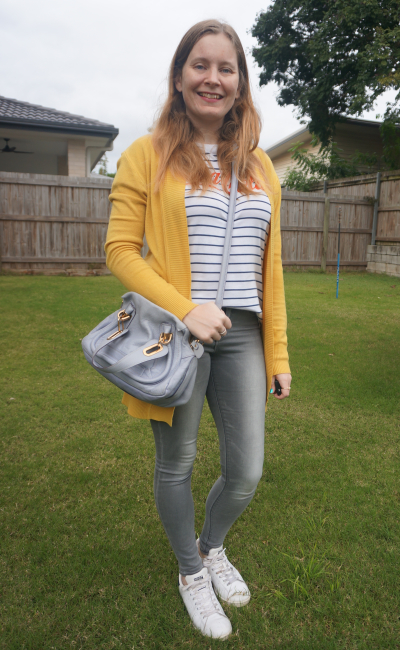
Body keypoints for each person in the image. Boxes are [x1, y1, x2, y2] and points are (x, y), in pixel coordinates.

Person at [105, 19, 291, 640]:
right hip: (176, 337)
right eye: (200, 65)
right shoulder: (146, 153)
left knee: (246, 471)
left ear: (240, 85)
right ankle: (190, 572)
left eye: (226, 68)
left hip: (243, 335)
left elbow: (273, 269)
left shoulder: (262, 166)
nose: (213, 78)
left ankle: (212, 547)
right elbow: (120, 250)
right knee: (177, 462)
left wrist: (278, 353)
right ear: (180, 77)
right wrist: (185, 307)